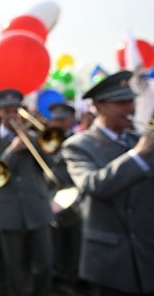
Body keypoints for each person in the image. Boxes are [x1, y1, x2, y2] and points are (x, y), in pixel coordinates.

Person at [61, 71, 154, 296]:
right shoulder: (78, 145)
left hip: (147, 254)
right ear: (99, 107)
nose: (131, 109)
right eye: (121, 103)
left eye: (131, 101)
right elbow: (94, 185)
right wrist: (139, 154)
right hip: (110, 263)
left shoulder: (138, 140)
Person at [0, 89, 53, 296]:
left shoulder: (34, 135)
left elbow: (49, 165)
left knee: (45, 263)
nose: (12, 115)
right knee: (15, 269)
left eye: (16, 110)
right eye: (7, 111)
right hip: (8, 213)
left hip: (37, 209)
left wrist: (34, 143)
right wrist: (12, 150)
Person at [45, 103, 83, 293]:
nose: (57, 124)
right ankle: (59, 277)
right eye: (55, 120)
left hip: (76, 198)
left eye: (62, 120)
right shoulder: (47, 140)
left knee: (75, 241)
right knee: (56, 241)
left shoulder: (79, 140)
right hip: (53, 198)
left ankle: (73, 276)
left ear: (70, 120)